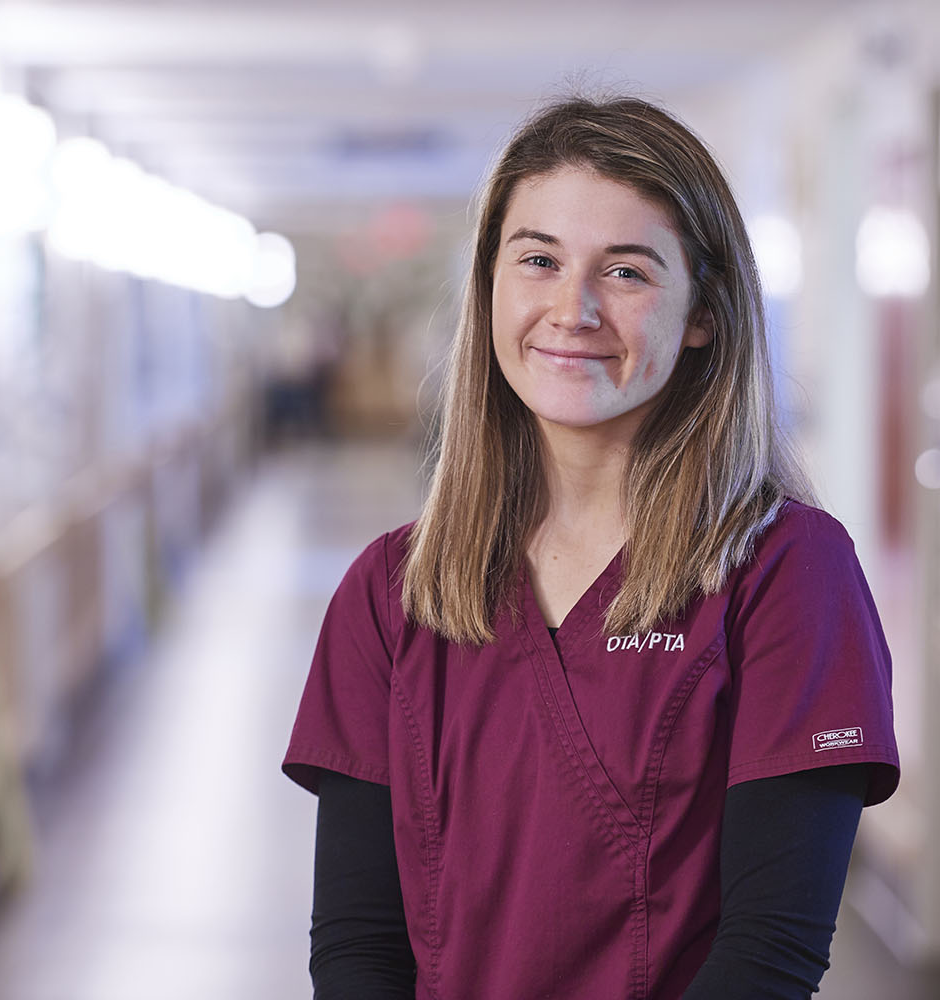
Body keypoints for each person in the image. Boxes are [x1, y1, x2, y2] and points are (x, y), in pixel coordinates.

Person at [282, 95, 900, 999]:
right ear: (491, 288)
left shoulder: (787, 573)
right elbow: (358, 946)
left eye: (626, 272)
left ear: (704, 314)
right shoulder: (393, 590)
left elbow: (769, 959)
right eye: (537, 259)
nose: (571, 309)